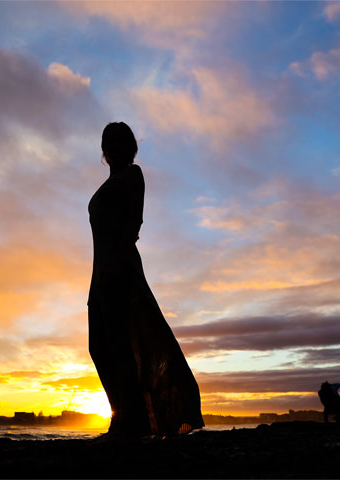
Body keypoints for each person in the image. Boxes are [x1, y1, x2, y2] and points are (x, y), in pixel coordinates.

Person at [88, 122, 205, 440]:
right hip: (99, 272)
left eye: (117, 141)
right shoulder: (105, 185)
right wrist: (98, 279)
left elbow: (134, 222)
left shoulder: (132, 175)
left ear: (129, 146)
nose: (111, 147)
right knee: (99, 346)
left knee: (123, 344)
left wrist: (117, 267)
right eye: (107, 142)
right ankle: (126, 416)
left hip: (121, 267)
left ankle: (129, 422)